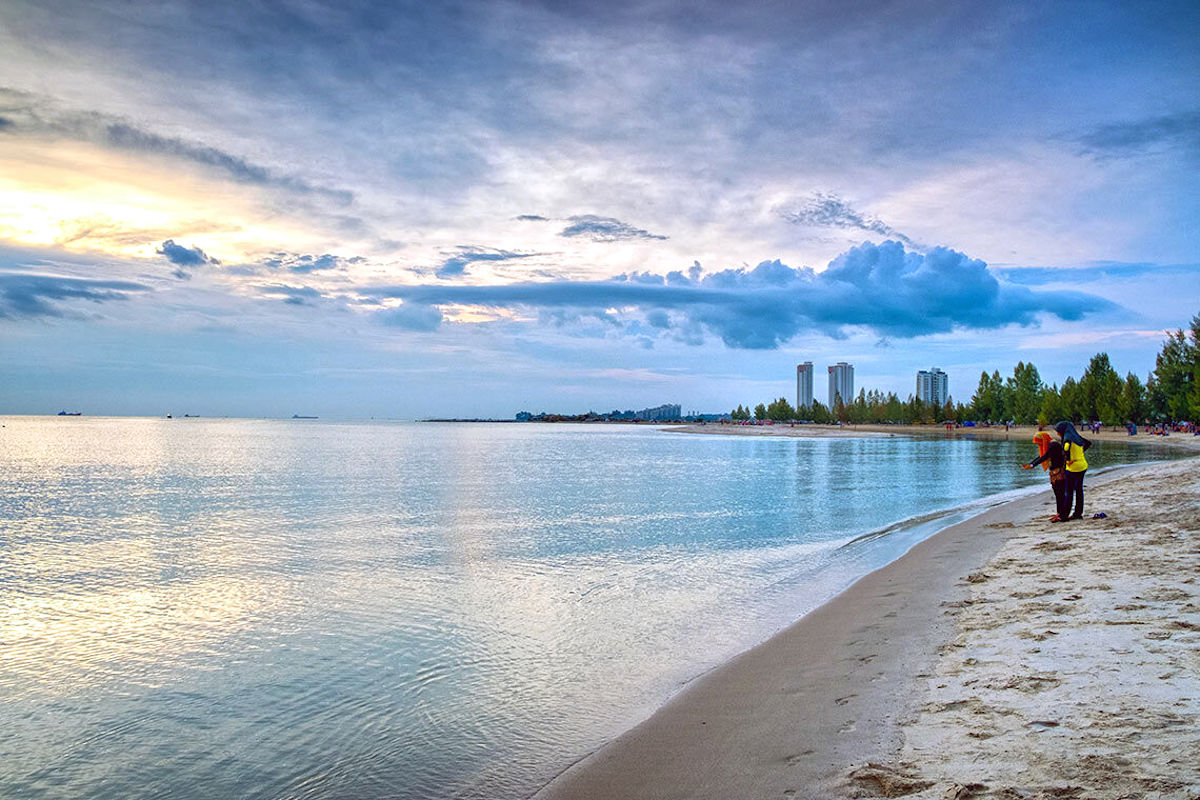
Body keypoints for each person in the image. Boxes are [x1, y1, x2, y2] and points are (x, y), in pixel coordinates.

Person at [1023, 431, 1068, 521]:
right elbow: (1041, 455)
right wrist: (1031, 464)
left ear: (1043, 439)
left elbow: (1045, 456)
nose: (1039, 445)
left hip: (1059, 472)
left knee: (1060, 494)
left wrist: (1032, 465)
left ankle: (1062, 515)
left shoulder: (1053, 445)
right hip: (1054, 472)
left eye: (1039, 443)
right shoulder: (1050, 445)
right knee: (1057, 493)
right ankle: (1059, 513)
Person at [1055, 421, 1089, 520]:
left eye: (1058, 431)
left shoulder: (1067, 439)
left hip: (1073, 468)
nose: (1057, 433)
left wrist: (1068, 460)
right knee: (1079, 490)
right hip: (1083, 466)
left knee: (1068, 492)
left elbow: (1066, 449)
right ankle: (1078, 514)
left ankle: (1063, 516)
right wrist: (1080, 454)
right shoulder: (1076, 437)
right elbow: (1087, 443)